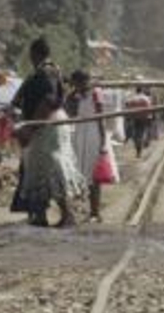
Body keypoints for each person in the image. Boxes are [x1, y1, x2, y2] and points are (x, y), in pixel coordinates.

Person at [11, 37, 83, 226]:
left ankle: (67, 215)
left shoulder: (47, 71)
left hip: (47, 125)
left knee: (52, 168)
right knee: (38, 169)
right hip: (46, 124)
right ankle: (40, 215)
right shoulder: (47, 71)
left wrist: (31, 126)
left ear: (34, 54)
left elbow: (48, 100)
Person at [66, 69, 115, 221]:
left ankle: (95, 212)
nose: (73, 86)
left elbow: (101, 117)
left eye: (75, 83)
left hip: (93, 133)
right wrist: (71, 96)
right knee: (84, 173)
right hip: (81, 133)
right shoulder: (77, 95)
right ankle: (90, 210)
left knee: (94, 175)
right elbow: (70, 112)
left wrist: (103, 142)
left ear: (81, 82)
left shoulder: (96, 93)